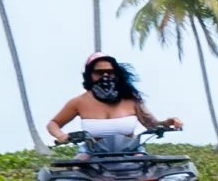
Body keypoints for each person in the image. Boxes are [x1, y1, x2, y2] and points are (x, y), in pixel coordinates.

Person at [46, 54, 183, 145]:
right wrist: (61, 136)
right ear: (90, 75)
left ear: (117, 74)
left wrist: (169, 122)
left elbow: (152, 124)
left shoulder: (131, 99)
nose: (105, 76)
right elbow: (53, 123)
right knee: (74, 176)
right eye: (99, 73)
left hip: (132, 151)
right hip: (91, 153)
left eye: (110, 72)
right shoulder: (78, 102)